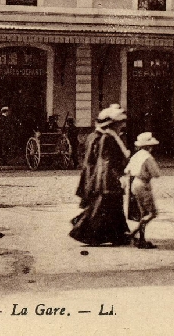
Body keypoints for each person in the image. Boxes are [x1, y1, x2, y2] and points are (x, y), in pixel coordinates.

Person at [70, 104, 131, 246]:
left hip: (96, 177)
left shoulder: (95, 136)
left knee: (108, 207)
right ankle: (87, 233)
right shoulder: (108, 138)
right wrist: (118, 176)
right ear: (113, 124)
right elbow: (107, 161)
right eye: (120, 123)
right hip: (106, 178)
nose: (122, 126)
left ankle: (117, 235)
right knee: (104, 207)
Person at [124, 132, 162, 249]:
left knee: (142, 213)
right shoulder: (147, 158)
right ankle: (133, 233)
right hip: (144, 185)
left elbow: (127, 170)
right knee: (152, 213)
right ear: (149, 146)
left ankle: (141, 239)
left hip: (134, 183)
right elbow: (156, 173)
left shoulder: (136, 156)